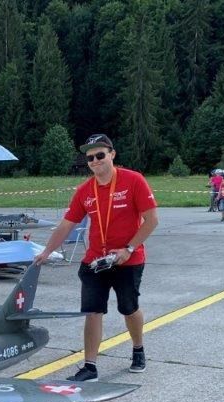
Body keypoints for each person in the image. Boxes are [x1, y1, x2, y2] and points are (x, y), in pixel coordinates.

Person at [33, 134, 158, 379]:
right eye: (90, 158)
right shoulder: (85, 190)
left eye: (100, 155)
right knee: (92, 311)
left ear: (112, 154)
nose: (95, 161)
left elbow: (152, 220)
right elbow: (67, 225)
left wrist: (128, 249)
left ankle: (138, 349)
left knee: (129, 308)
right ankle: (90, 366)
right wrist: (46, 251)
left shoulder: (133, 180)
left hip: (127, 259)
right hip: (95, 261)